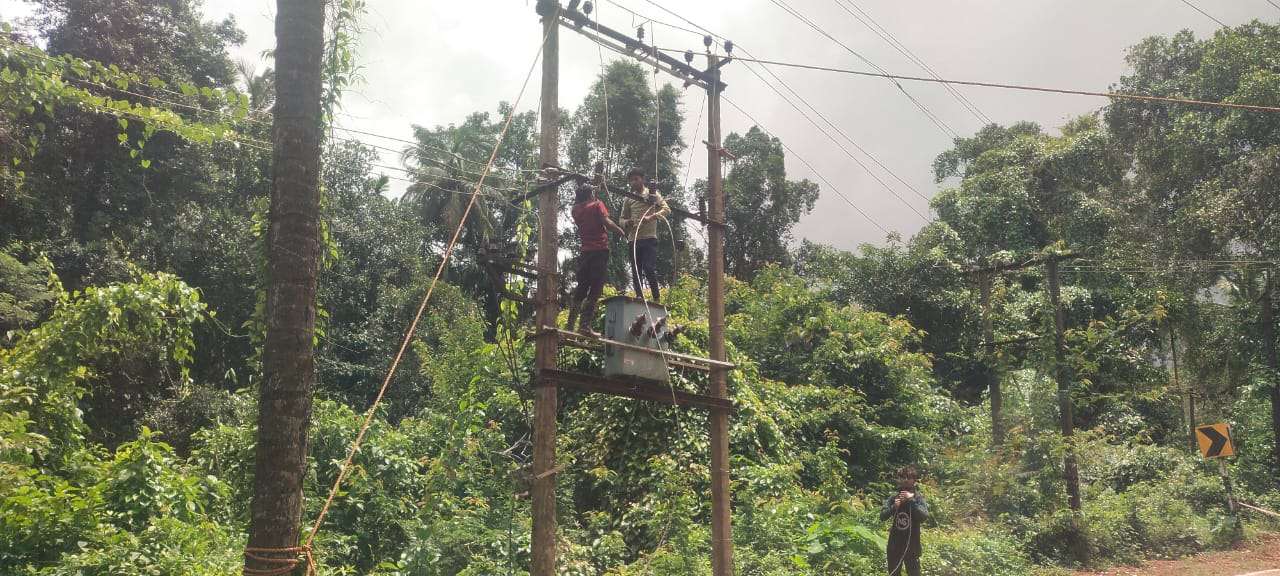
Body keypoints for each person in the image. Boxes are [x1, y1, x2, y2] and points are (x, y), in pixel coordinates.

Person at [567, 182, 624, 336]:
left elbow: (587, 211)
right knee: (596, 288)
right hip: (599, 251)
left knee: (582, 288)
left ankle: (570, 325)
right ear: (590, 195)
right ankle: (584, 325)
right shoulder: (597, 205)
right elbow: (607, 222)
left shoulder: (575, 210)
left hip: (585, 252)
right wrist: (620, 231)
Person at [618, 167, 669, 302]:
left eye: (636, 179)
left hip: (649, 238)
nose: (633, 182)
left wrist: (651, 217)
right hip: (633, 239)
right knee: (636, 270)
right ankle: (639, 297)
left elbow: (666, 209)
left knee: (648, 268)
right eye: (631, 180)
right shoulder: (628, 198)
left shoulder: (652, 194)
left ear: (642, 179)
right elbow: (621, 219)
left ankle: (656, 297)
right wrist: (626, 223)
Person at [879, 465, 928, 576]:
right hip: (894, 546)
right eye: (902, 477)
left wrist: (911, 501)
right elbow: (882, 516)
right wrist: (894, 507)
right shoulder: (893, 498)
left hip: (912, 546)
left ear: (914, 480)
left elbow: (924, 516)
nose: (905, 480)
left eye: (908, 477)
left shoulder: (918, 498)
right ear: (898, 479)